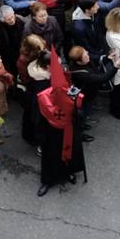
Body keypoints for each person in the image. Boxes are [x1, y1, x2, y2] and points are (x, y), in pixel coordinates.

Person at [34, 53, 84, 196]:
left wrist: (76, 110)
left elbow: (70, 96)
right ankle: (47, 180)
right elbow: (39, 110)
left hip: (67, 127)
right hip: (50, 129)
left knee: (68, 151)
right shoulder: (41, 85)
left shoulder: (63, 78)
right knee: (51, 155)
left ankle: (67, 172)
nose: (61, 68)